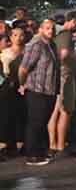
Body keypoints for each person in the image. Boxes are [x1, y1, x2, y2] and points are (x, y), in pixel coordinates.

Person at [18, 19, 60, 166]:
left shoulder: (52, 45)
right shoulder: (36, 44)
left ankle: (40, 152)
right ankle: (32, 155)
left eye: (53, 28)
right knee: (35, 122)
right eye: (47, 28)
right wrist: (22, 84)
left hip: (50, 90)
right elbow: (23, 68)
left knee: (42, 122)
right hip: (37, 89)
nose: (51, 31)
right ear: (41, 29)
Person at [49, 10, 76, 158]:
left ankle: (53, 144)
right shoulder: (66, 35)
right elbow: (63, 54)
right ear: (74, 21)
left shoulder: (57, 34)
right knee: (66, 110)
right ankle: (60, 145)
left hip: (57, 75)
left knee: (55, 111)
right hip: (65, 74)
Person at [0, 26, 24, 158]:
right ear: (10, 37)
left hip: (24, 87)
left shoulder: (27, 51)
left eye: (21, 35)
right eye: (15, 35)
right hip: (8, 88)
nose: (18, 38)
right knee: (6, 115)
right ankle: (4, 144)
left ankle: (20, 143)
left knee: (21, 114)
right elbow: (4, 74)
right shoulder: (5, 54)